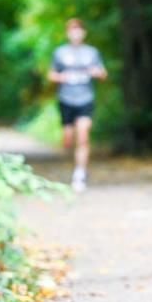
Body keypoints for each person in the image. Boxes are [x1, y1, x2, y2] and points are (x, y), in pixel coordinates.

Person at [48, 18, 107, 192]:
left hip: (85, 99)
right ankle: (71, 151)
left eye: (78, 29)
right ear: (67, 33)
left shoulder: (92, 52)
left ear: (84, 32)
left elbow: (103, 74)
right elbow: (51, 74)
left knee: (83, 135)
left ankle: (79, 173)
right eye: (72, 29)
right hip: (66, 99)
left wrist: (97, 73)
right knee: (68, 139)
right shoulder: (60, 52)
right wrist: (61, 77)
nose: (76, 33)